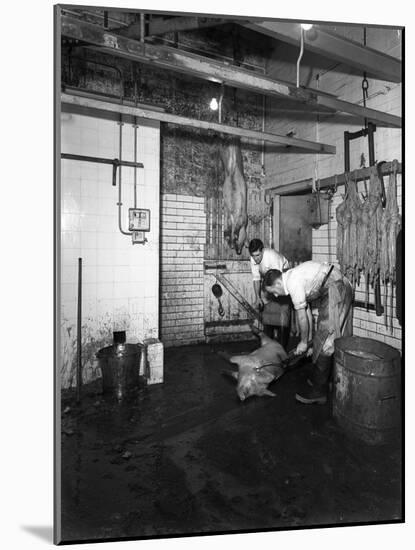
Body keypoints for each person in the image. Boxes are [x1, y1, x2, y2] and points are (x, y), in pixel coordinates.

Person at [263, 261, 353, 405]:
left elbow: (302, 317)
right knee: (321, 336)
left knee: (326, 341)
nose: (275, 295)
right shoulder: (291, 277)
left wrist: (304, 342)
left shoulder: (293, 283)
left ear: (278, 283)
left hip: (337, 288)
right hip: (332, 289)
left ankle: (319, 392)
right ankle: (323, 379)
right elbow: (307, 313)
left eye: (273, 290)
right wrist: (309, 341)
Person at [249, 238, 291, 349]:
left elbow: (278, 281)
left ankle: (282, 349)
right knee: (267, 313)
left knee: (282, 313)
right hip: (268, 280)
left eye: (258, 255)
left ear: (262, 251)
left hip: (282, 278)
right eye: (253, 256)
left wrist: (270, 297)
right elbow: (256, 279)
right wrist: (258, 297)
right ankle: (268, 347)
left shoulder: (272, 257)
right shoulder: (253, 258)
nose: (255, 258)